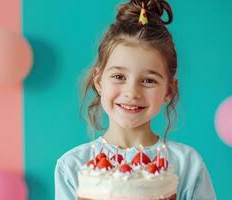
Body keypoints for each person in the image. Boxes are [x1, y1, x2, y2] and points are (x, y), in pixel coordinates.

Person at [55, 0, 216, 199]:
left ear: (169, 90)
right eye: (119, 77)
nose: (132, 92)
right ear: (98, 81)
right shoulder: (73, 166)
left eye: (148, 80)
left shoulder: (187, 164)